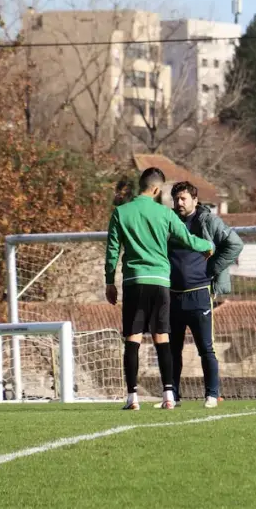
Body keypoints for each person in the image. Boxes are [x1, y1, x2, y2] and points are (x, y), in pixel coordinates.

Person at [105, 167, 213, 411]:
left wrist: (109, 281)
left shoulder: (121, 212)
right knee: (162, 337)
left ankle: (132, 398)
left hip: (134, 281)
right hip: (160, 282)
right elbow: (187, 239)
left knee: (132, 338)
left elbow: (112, 250)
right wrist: (208, 245)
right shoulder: (165, 213)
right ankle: (168, 395)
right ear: (156, 189)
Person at [165, 181, 243, 408]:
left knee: (206, 348)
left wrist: (212, 268)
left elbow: (235, 244)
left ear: (195, 200)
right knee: (172, 349)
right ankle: (172, 397)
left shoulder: (208, 221)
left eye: (183, 198)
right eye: (176, 199)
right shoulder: (168, 221)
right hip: (172, 295)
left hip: (199, 294)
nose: (179, 203)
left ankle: (211, 394)